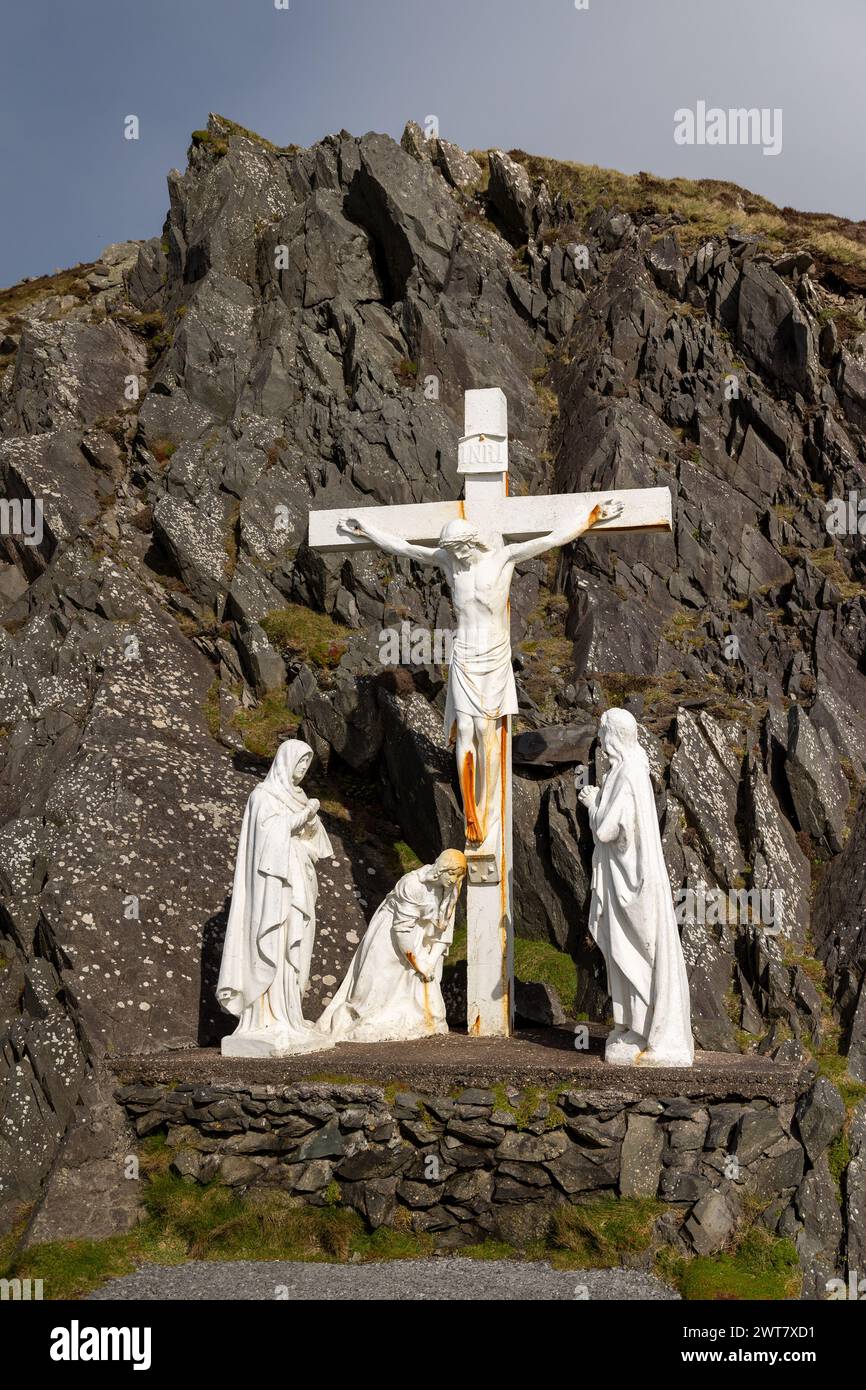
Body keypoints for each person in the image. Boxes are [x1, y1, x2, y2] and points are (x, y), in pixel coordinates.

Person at [340, 500, 622, 844]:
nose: (453, 557)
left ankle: (486, 805)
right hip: (464, 656)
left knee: (487, 734)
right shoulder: (448, 563)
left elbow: (551, 539)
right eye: (450, 552)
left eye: (457, 550)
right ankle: (471, 812)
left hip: (493, 657)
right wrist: (367, 529)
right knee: (467, 731)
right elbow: (405, 547)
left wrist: (589, 517)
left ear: (469, 544)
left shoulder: (503, 558)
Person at [579, 708, 694, 1067]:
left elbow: (606, 831)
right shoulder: (630, 768)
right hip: (626, 879)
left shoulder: (627, 773)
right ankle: (632, 1027)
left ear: (612, 736)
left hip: (634, 888)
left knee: (636, 955)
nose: (599, 740)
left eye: (602, 733)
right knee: (629, 955)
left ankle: (645, 1030)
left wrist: (592, 803)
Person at [217, 739, 334, 1056]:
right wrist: (304, 814)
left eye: (307, 766)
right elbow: (268, 838)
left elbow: (319, 844)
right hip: (273, 886)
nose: (303, 771)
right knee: (274, 940)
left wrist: (310, 820)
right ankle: (266, 1017)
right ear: (285, 762)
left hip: (298, 878)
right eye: (300, 763)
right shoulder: (263, 796)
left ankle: (289, 1015)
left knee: (292, 947)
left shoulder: (299, 797)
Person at [317, 849, 467, 1044]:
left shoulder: (450, 890)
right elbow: (402, 931)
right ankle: (366, 1017)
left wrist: (429, 961)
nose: (454, 880)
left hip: (423, 939)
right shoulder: (412, 884)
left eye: (458, 876)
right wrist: (419, 963)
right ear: (442, 869)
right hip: (392, 934)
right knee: (376, 985)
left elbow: (443, 932)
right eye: (452, 874)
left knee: (427, 1004)